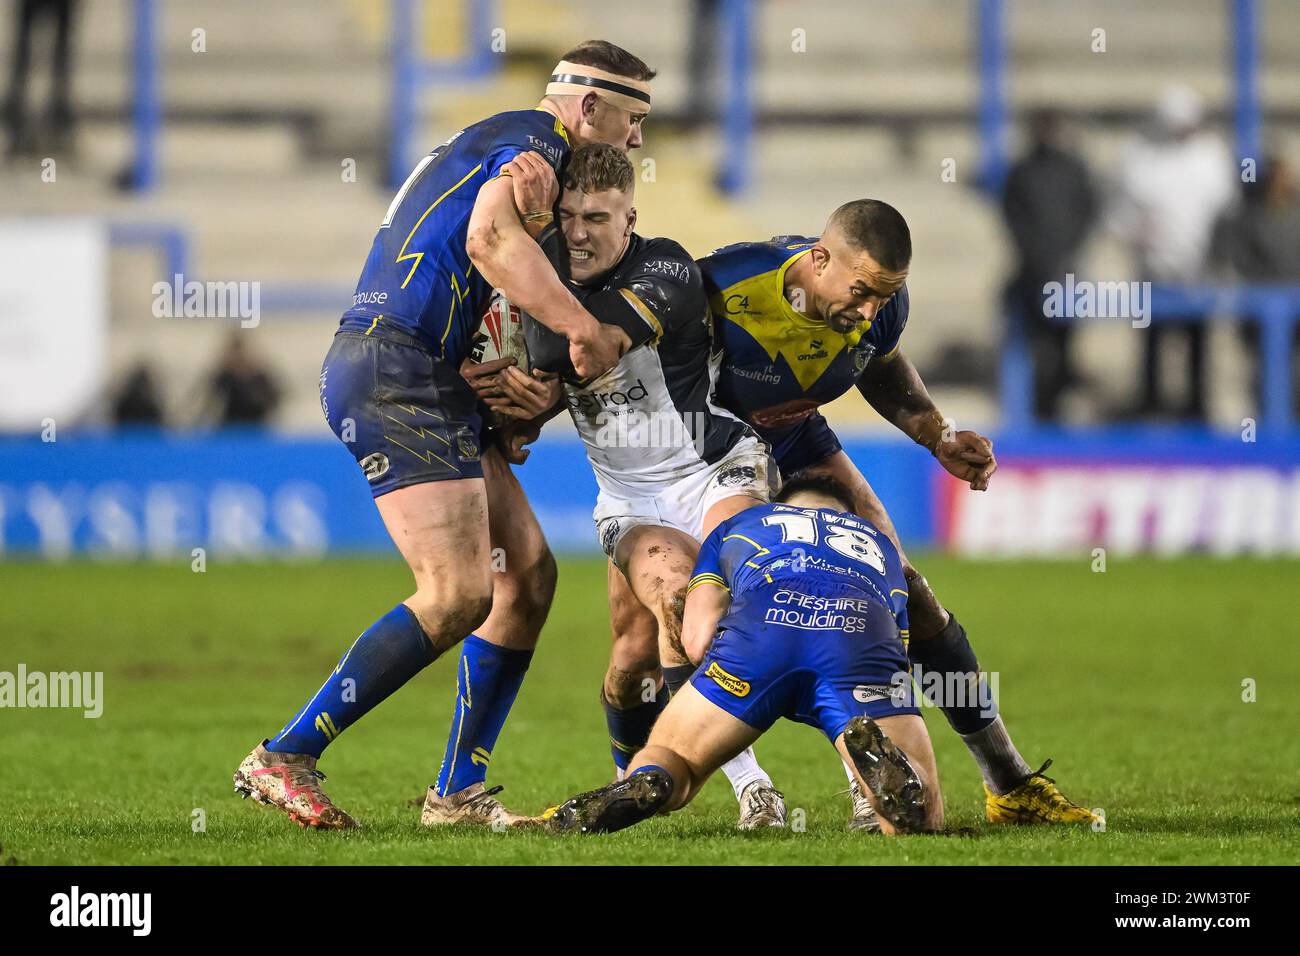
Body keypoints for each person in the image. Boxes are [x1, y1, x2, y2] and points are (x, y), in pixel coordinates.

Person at [233, 40, 651, 830]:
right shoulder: (535, 141)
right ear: (589, 107)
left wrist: (505, 395)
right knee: (460, 592)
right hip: (397, 367)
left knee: (525, 574)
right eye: (632, 119)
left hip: (428, 369)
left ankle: (456, 794)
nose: (635, 140)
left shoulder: (500, 148)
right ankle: (285, 755)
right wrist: (580, 329)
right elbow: (493, 244)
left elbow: (475, 257)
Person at [614, 201, 1094, 828]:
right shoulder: (726, 286)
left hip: (796, 435)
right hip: (701, 452)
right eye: (862, 291)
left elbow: (882, 367)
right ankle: (735, 787)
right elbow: (642, 358)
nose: (869, 310)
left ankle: (1006, 782)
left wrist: (938, 433)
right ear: (817, 260)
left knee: (900, 589)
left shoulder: (881, 305)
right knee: (652, 639)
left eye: (882, 297)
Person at [471, 143, 789, 828]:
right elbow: (540, 391)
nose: (580, 232)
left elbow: (586, 348)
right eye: (568, 218)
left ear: (629, 217)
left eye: (597, 216)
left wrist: (533, 369)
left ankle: (756, 788)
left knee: (710, 602)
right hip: (629, 498)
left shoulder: (665, 268)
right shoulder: (547, 271)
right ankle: (630, 782)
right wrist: (516, 409)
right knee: (632, 660)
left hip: (715, 470)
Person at [547, 475, 943, 836]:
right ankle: (891, 781)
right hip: (857, 635)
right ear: (846, 515)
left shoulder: (741, 525)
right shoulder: (879, 544)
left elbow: (697, 638)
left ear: (781, 503)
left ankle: (652, 778)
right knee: (920, 805)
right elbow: (898, 649)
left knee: (674, 757)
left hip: (759, 633)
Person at [1110, 85, 1237, 420]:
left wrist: (1214, 257)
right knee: (1152, 339)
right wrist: (1136, 232)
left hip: (1199, 268)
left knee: (1197, 338)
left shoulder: (1211, 157)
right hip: (1153, 267)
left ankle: (1196, 407)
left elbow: (1224, 212)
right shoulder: (1140, 156)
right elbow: (1121, 212)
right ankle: (1150, 404)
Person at [1001, 109, 1099, 419]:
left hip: (1065, 273)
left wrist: (1067, 253)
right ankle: (1037, 406)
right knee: (1033, 343)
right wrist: (1034, 254)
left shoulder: (1074, 170)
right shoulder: (1022, 172)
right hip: (1032, 273)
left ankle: (1059, 401)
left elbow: (1088, 213)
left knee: (1064, 344)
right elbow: (1012, 216)